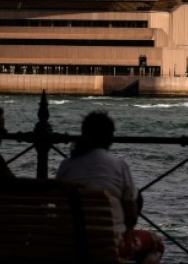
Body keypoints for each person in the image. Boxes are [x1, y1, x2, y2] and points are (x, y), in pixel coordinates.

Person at [56, 111, 164, 264]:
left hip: (72, 243)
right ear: (109, 138)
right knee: (156, 243)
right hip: (111, 246)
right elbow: (131, 213)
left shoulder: (66, 165)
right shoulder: (118, 165)